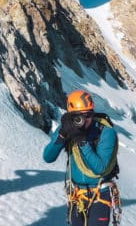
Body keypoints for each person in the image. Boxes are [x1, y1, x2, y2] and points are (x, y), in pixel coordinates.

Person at [43, 90, 121, 226]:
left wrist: (82, 141)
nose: (85, 120)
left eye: (89, 115)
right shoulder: (67, 129)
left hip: (100, 193)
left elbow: (100, 168)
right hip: (77, 195)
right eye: (79, 116)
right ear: (71, 116)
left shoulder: (106, 132)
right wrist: (62, 135)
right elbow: (48, 157)